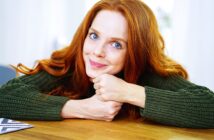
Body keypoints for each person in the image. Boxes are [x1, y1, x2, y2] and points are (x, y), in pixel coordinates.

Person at [0, 0, 214, 128]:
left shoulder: (149, 73)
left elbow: (209, 106)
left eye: (116, 44)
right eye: (94, 36)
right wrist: (81, 108)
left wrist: (128, 92)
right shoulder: (70, 65)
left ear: (136, 51)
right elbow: (5, 97)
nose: (97, 52)